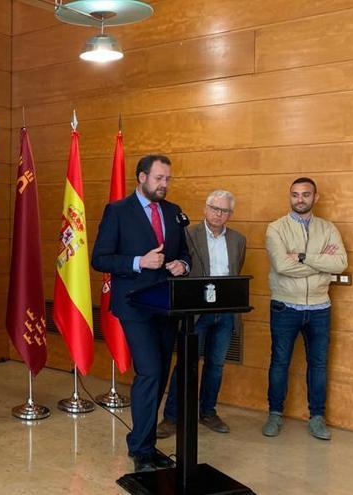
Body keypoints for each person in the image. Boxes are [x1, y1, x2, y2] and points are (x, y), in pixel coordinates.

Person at [91, 154, 190, 472]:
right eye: (159, 178)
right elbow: (100, 258)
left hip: (166, 305)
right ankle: (142, 449)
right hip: (134, 305)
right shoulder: (118, 211)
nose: (164, 184)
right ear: (141, 177)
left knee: (160, 371)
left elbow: (184, 253)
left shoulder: (173, 212)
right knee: (149, 371)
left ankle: (145, 439)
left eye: (168, 179)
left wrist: (182, 264)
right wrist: (138, 262)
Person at [156, 190, 247, 439]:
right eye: (214, 208)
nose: (218, 214)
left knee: (216, 365)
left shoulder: (239, 240)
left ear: (231, 214)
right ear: (205, 208)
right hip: (194, 313)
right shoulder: (187, 234)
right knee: (186, 364)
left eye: (224, 210)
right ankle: (172, 417)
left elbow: (235, 271)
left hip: (225, 314)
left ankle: (207, 411)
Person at [262, 177, 347, 440]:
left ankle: (317, 417)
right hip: (285, 306)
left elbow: (341, 262)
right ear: (290, 197)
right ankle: (274, 414)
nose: (300, 199)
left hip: (320, 307)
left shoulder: (328, 228)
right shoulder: (275, 228)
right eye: (295, 195)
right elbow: (282, 266)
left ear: (315, 197)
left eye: (306, 195)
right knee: (279, 363)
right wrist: (323, 261)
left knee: (318, 365)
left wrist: (301, 256)